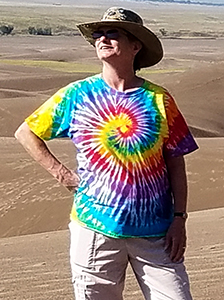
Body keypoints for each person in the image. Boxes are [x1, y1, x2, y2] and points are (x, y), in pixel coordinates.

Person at [15, 7, 198, 300]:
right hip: (95, 230)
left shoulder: (159, 99)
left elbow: (176, 161)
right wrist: (61, 174)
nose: (102, 39)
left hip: (156, 234)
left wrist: (180, 218)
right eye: (98, 34)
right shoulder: (77, 94)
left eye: (113, 33)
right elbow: (26, 132)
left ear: (135, 46)